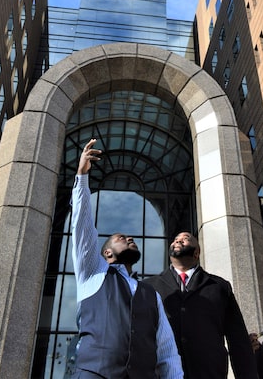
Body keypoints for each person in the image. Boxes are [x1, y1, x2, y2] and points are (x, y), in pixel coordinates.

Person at [71, 139, 183, 379]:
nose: (130, 237)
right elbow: (82, 228)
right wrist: (81, 178)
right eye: (121, 237)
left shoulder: (151, 294)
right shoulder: (92, 271)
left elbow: (167, 351)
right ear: (106, 253)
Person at [147, 231, 258, 379]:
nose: (178, 241)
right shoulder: (148, 287)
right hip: (162, 373)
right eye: (175, 240)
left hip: (209, 372)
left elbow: (238, 338)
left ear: (197, 253)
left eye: (185, 239)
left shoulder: (219, 286)